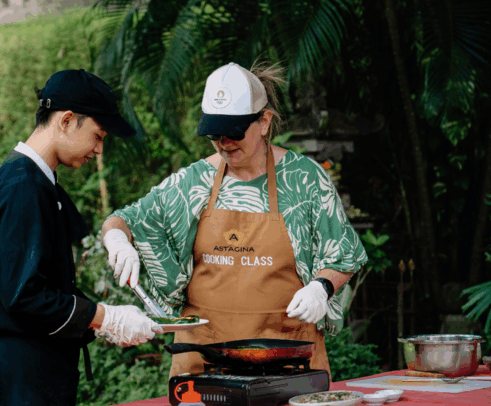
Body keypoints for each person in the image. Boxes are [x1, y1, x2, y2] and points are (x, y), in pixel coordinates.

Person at [101, 62, 368, 379]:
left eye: (234, 131)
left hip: (285, 355)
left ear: (264, 121)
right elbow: (122, 219)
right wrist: (118, 240)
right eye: (215, 132)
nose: (224, 141)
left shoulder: (304, 179)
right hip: (203, 357)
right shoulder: (194, 181)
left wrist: (321, 288)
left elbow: (346, 255)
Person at [0, 69, 163, 406]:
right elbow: (25, 296)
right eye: (97, 136)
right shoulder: (23, 187)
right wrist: (105, 318)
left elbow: (48, 281)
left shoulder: (40, 179)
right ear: (67, 121)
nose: (99, 150)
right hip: (22, 369)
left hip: (38, 365)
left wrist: (96, 320)